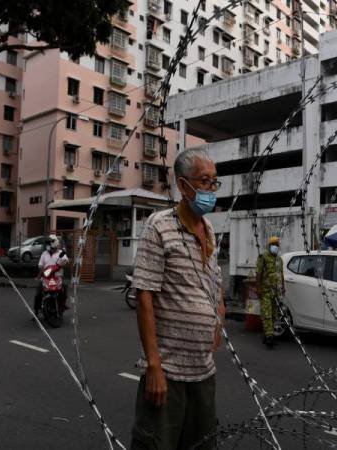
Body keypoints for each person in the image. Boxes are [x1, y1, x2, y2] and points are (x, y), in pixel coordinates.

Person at [131, 149, 225, 450]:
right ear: (184, 187)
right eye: (205, 181)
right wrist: (154, 367)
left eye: (214, 182)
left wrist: (218, 316)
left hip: (203, 371)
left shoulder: (209, 230)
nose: (211, 189)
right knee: (157, 444)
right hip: (168, 373)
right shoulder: (159, 226)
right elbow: (145, 295)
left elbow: (214, 282)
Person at [256, 236, 285, 348]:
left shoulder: (279, 259)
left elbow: (281, 274)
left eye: (277, 244)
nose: (276, 246)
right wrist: (258, 288)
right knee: (267, 314)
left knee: (274, 314)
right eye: (274, 244)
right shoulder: (263, 257)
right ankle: (269, 338)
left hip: (276, 292)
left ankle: (267, 334)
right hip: (266, 291)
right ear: (269, 245)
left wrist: (283, 287)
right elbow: (258, 273)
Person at [33, 234, 69, 317]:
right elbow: (40, 266)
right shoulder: (44, 254)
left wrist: (62, 264)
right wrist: (40, 275)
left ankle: (62, 305)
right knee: (38, 293)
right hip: (46, 277)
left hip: (57, 276)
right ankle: (36, 310)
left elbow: (66, 261)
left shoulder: (60, 253)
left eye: (49, 244)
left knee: (64, 289)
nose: (48, 246)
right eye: (47, 244)